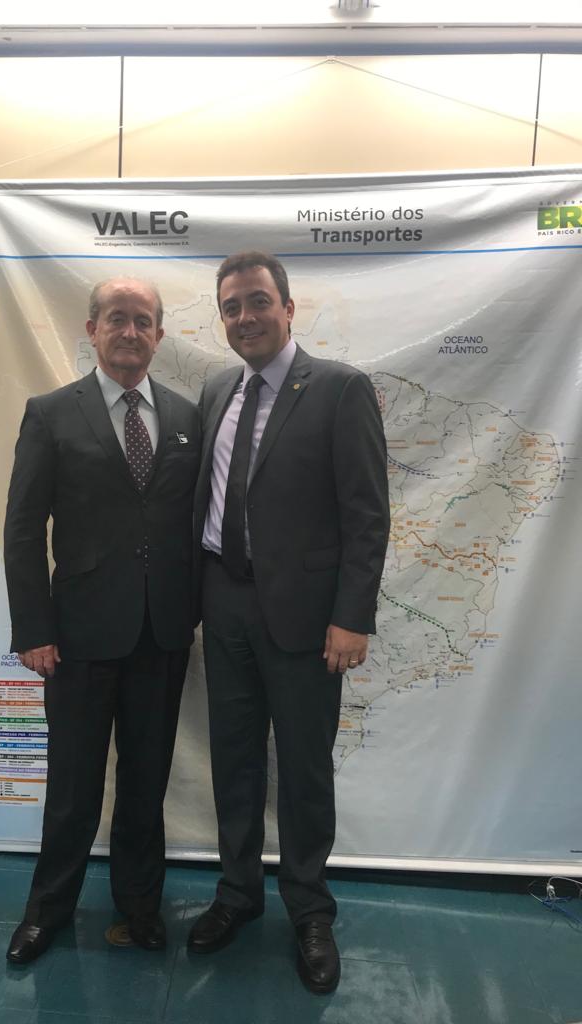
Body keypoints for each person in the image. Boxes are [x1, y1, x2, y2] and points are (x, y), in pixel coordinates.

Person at [189, 252, 390, 993]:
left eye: (257, 301)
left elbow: (366, 515)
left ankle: (309, 912)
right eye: (231, 306)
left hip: (307, 622)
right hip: (224, 605)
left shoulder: (339, 389)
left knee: (303, 770)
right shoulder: (216, 390)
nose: (245, 317)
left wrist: (351, 618)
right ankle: (237, 894)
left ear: (288, 308)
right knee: (233, 761)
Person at [4, 277, 200, 964]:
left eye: (143, 321)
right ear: (92, 329)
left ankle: (140, 905)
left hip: (162, 634)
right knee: (74, 786)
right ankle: (46, 911)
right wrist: (33, 629)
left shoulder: (186, 416)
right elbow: (22, 529)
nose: (130, 332)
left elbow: (193, 524)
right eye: (117, 318)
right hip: (79, 636)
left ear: (159, 335)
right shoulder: (51, 414)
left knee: (146, 783)